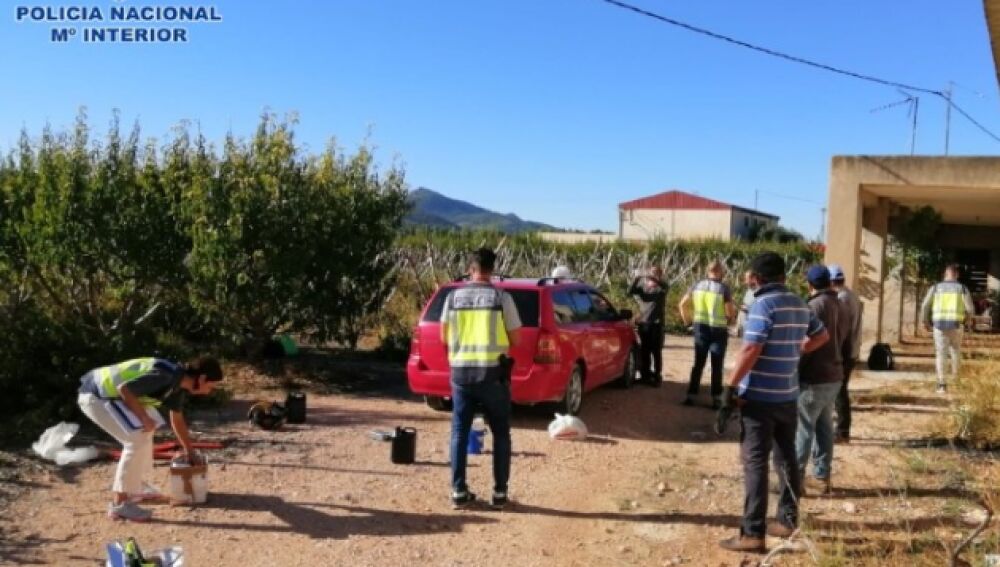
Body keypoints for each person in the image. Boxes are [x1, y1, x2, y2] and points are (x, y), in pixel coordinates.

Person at [717, 252, 829, 553]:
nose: (748, 279)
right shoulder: (799, 303)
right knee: (786, 458)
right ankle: (787, 520)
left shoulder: (763, 304)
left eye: (750, 275)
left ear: (757, 278)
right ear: (783, 276)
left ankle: (752, 533)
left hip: (759, 397)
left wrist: (730, 387)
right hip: (787, 395)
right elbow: (822, 336)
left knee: (755, 461)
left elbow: (751, 347)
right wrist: (795, 351)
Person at [77, 356, 223, 522]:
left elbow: (177, 419)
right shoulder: (166, 376)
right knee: (136, 440)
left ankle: (135, 488)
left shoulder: (179, 384)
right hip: (95, 396)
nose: (210, 391)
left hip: (110, 396)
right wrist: (144, 418)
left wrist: (190, 452)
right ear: (202, 378)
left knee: (145, 432)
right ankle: (120, 504)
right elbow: (124, 389)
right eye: (211, 386)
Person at [440, 247, 522, 509]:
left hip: (461, 374)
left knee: (459, 432)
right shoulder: (501, 298)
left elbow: (443, 336)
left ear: (470, 269)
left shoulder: (453, 297)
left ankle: (458, 491)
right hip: (493, 374)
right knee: (501, 433)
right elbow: (517, 338)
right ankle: (499, 493)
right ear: (492, 269)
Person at [795, 265, 848, 496]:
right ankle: (822, 476)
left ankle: (794, 479)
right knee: (824, 427)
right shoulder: (840, 304)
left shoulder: (813, 306)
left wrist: (795, 368)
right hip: (834, 375)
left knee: (804, 429)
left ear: (810, 284)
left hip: (814, 377)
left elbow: (807, 344)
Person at [678, 260, 736, 408]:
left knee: (698, 363)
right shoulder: (723, 288)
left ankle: (691, 395)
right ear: (721, 271)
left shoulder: (697, 285)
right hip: (718, 330)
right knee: (717, 364)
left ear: (707, 270)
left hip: (700, 327)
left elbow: (682, 304)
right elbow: (730, 311)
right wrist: (730, 320)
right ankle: (716, 398)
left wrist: (688, 322)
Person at [921, 264, 974, 394]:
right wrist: (968, 321)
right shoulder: (962, 288)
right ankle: (957, 381)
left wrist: (925, 321)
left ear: (945, 274)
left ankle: (942, 384)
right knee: (956, 351)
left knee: (941, 353)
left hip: (939, 325)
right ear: (957, 275)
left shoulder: (935, 288)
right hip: (956, 325)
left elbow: (925, 306)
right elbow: (970, 309)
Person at [829, 264, 862, 443]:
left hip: (845, 351)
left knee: (839, 391)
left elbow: (842, 328)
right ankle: (842, 429)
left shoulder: (841, 298)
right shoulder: (851, 294)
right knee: (840, 390)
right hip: (852, 349)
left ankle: (842, 431)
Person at [630, 266, 668, 384]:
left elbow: (663, 285)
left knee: (656, 351)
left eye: (655, 274)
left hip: (656, 324)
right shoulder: (643, 288)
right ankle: (645, 375)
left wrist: (651, 277)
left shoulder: (661, 289)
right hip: (644, 323)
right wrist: (637, 278)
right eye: (651, 273)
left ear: (659, 275)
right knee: (644, 351)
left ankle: (657, 376)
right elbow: (631, 291)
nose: (652, 276)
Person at [737, 270, 757, 338]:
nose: (745, 281)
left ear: (753, 279)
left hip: (752, 327)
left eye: (746, 279)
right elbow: (745, 304)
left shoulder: (758, 291)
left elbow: (758, 308)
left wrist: (747, 308)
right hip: (744, 325)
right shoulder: (749, 291)